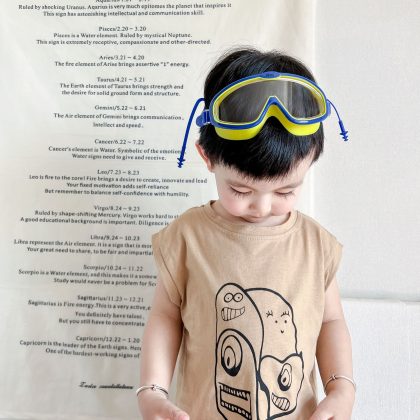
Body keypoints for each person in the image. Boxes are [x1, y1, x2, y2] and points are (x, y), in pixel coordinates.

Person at [137, 47, 355, 420]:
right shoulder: (188, 238)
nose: (262, 206)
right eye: (241, 190)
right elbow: (165, 317)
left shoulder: (315, 245)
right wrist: (152, 391)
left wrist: (342, 389)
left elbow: (330, 321)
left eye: (285, 191)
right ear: (207, 157)